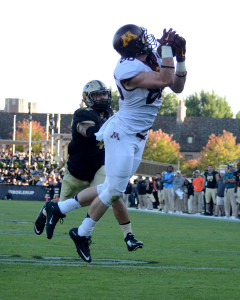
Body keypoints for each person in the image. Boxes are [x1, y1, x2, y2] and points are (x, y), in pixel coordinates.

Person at [45, 24, 187, 263]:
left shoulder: (148, 58)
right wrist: (166, 52)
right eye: (143, 38)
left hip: (139, 136)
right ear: (134, 44)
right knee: (115, 190)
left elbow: (178, 86)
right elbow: (165, 77)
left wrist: (180, 58)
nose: (148, 40)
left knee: (111, 188)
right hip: (122, 134)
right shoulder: (126, 69)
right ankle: (81, 232)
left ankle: (59, 210)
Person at [35, 80, 143, 252]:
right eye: (97, 95)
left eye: (103, 94)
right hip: (78, 169)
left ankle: (128, 236)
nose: (102, 97)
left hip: (99, 165)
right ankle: (46, 211)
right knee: (63, 204)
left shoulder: (110, 113)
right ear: (88, 98)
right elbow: (90, 133)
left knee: (114, 195)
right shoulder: (83, 113)